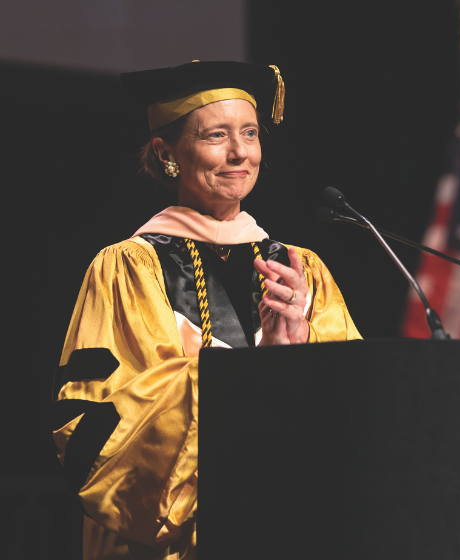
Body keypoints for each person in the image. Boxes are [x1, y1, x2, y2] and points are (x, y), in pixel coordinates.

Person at [51, 61, 362, 559]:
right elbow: (102, 432)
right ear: (166, 153)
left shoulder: (303, 270)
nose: (240, 152)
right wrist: (253, 375)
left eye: (250, 133)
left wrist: (300, 355)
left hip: (289, 528)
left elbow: (358, 408)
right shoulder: (131, 267)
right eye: (216, 135)